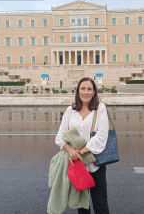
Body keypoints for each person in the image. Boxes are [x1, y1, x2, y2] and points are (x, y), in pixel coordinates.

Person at [55, 77, 110, 214]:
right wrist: (70, 150)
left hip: (95, 164)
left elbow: (101, 137)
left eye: (89, 89)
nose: (86, 92)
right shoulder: (70, 110)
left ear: (94, 92)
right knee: (82, 206)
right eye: (83, 88)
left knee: (101, 206)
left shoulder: (100, 108)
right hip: (77, 165)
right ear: (78, 91)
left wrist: (80, 152)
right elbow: (60, 136)